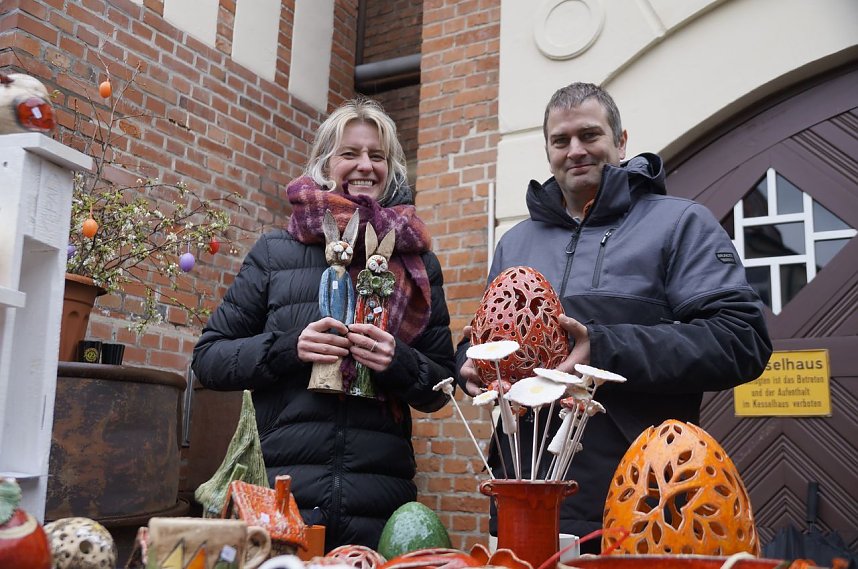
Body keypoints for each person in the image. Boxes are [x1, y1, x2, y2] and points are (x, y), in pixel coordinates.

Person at [456, 82, 772, 552]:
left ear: (621, 142)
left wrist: (603, 348)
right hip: (524, 490)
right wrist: (468, 361)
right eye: (561, 141)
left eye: (590, 135)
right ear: (548, 152)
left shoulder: (679, 223)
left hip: (642, 497)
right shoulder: (516, 241)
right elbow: (491, 336)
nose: (575, 150)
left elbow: (741, 340)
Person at [193, 97, 455, 550]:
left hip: (379, 498)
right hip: (281, 491)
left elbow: (441, 385)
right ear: (324, 163)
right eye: (350, 153)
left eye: (377, 155)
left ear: (390, 168)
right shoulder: (276, 252)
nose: (365, 165)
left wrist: (397, 361)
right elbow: (209, 358)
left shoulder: (416, 262)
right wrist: (288, 348)